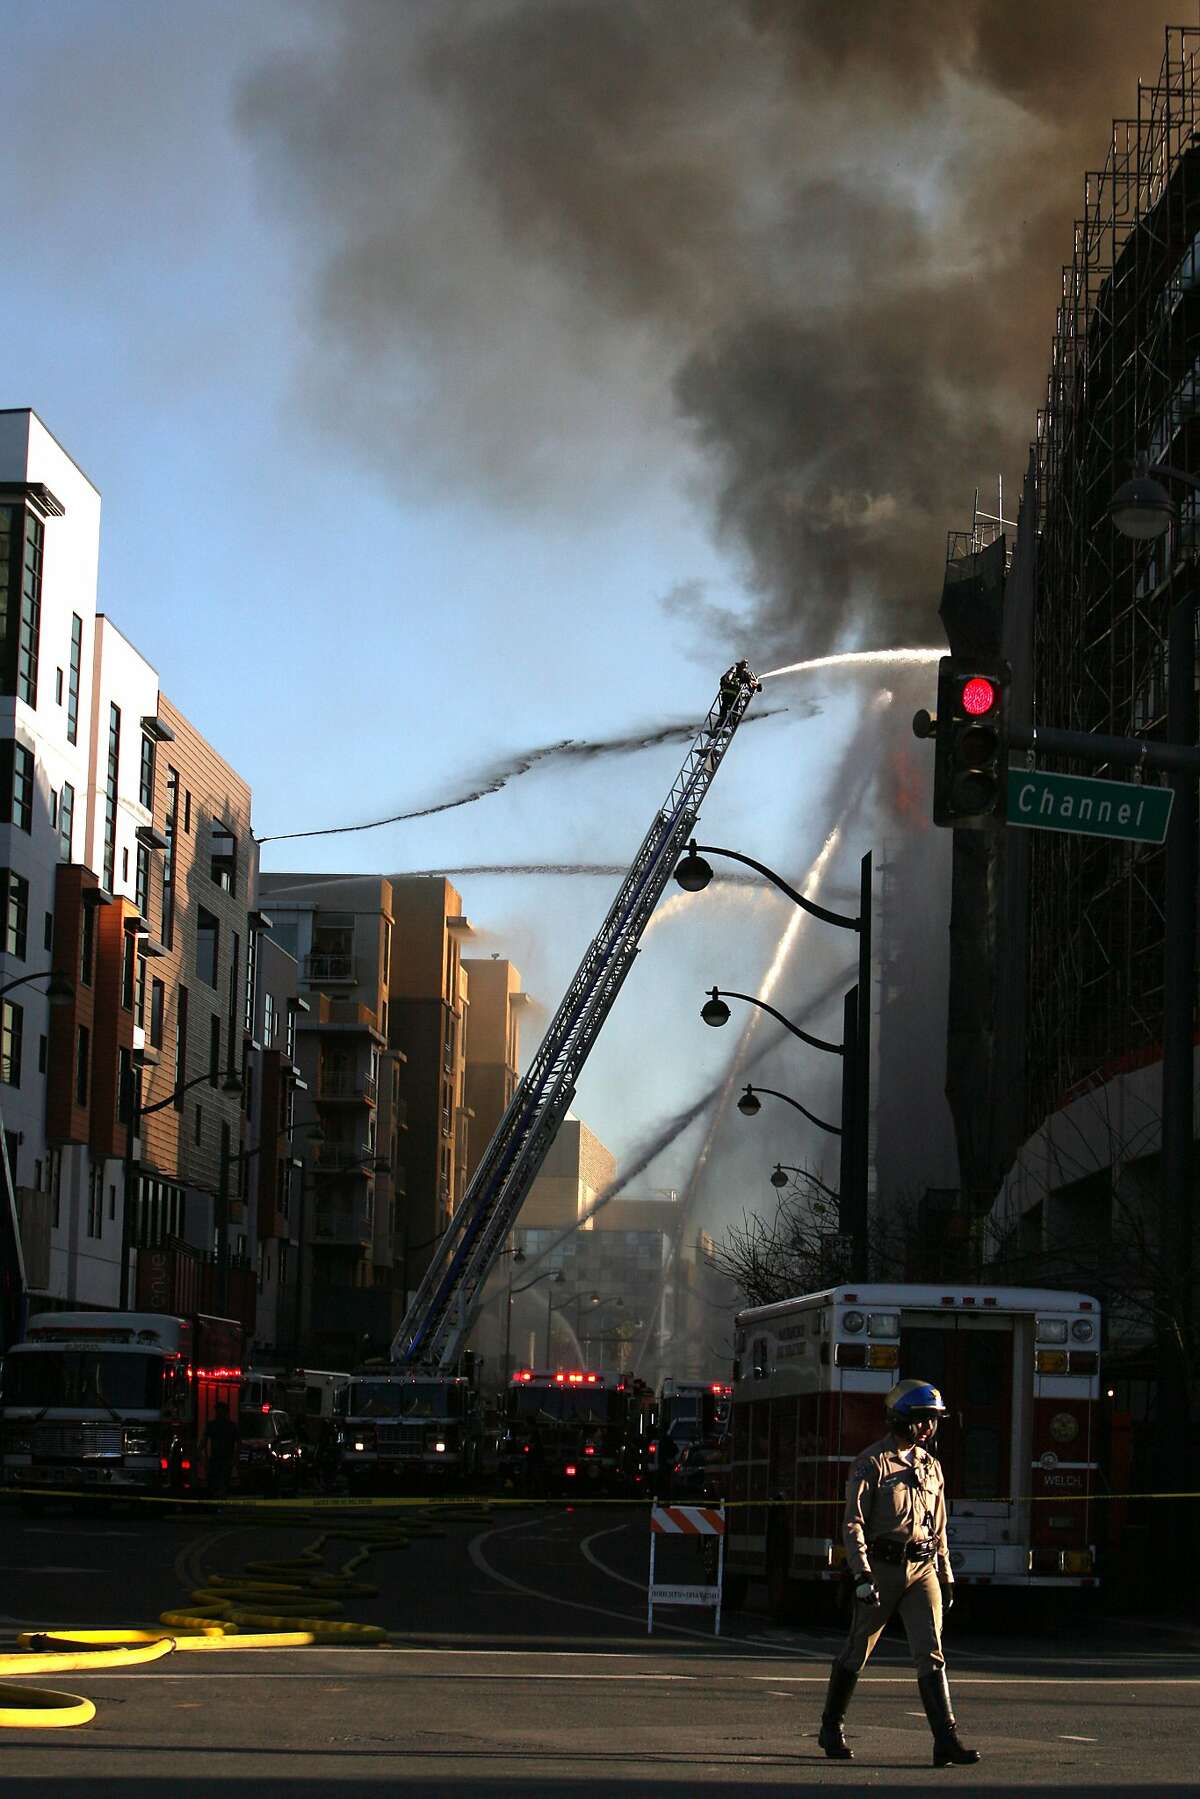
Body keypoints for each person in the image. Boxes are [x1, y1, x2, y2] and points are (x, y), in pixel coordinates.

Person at [817, 1379, 980, 1769]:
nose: (928, 1429)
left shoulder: (930, 1466)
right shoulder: (871, 1463)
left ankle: (946, 1738)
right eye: (922, 1420)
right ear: (901, 1419)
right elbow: (853, 1523)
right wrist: (861, 1574)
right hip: (883, 1567)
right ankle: (831, 1726)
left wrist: (945, 1571)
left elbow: (938, 1524)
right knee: (858, 1649)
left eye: (934, 1421)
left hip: (923, 1567)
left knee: (931, 1653)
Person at [202, 1401, 240, 1500]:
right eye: (218, 1411)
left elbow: (238, 1443)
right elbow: (204, 1442)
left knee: (222, 1481)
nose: (219, 1413)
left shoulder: (230, 1426)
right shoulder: (214, 1425)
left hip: (225, 1459)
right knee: (215, 1481)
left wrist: (235, 1458)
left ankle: (220, 1499)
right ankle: (217, 1499)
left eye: (220, 1411)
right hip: (216, 1458)